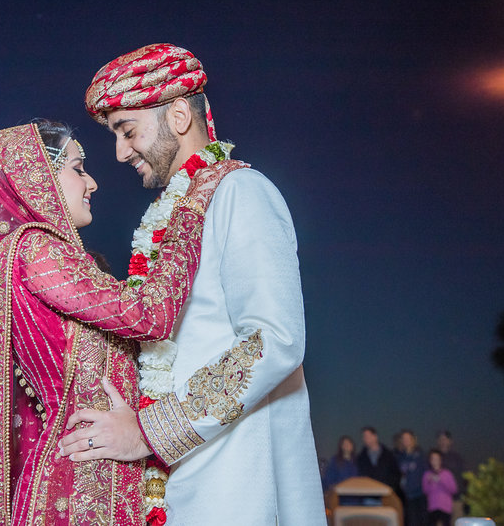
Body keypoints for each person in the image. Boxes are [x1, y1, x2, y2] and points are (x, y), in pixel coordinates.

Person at [60, 43, 326, 525]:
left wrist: (147, 433)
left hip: (240, 482)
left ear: (180, 115)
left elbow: (274, 341)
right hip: (184, 478)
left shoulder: (241, 193)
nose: (119, 153)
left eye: (128, 130)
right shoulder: (177, 214)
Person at [0, 121, 224, 526]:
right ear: (37, 178)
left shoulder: (50, 257)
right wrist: (191, 206)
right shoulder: (35, 251)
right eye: (78, 169)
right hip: (75, 489)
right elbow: (150, 317)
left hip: (104, 471)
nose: (93, 182)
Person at [395, 430, 426, 526]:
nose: (406, 441)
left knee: (422, 521)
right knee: (410, 522)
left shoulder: (421, 456)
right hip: (407, 497)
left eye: (408, 438)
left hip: (420, 495)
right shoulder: (399, 457)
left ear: (413, 440)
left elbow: (426, 474)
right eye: (404, 439)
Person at [357, 427, 402, 492]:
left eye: (367, 436)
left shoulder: (389, 455)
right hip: (368, 494)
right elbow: (359, 476)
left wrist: (390, 487)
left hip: (385, 494)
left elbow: (396, 474)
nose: (365, 439)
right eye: (364, 437)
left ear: (375, 436)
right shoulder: (361, 458)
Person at [435, 429, 466, 520]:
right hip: (439, 502)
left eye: (445, 439)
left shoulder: (457, 458)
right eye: (440, 439)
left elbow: (464, 479)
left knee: (457, 522)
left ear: (450, 441)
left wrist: (465, 498)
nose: (443, 442)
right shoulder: (433, 458)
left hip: (456, 500)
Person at [422, 449, 457, 526]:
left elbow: (453, 489)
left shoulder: (447, 473)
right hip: (432, 507)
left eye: (437, 459)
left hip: (445, 507)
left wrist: (440, 480)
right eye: (432, 459)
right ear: (430, 461)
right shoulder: (427, 474)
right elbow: (425, 491)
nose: (435, 461)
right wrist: (429, 482)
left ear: (441, 460)